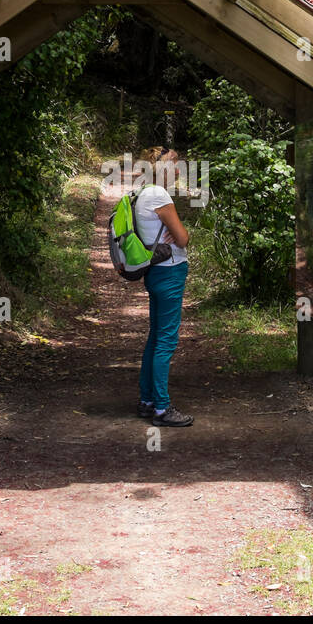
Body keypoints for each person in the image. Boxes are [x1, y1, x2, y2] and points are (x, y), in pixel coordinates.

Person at [134, 146, 193, 427]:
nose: (179, 170)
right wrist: (184, 233)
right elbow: (182, 238)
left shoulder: (144, 193)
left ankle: (147, 400)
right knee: (166, 341)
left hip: (156, 273)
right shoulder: (159, 194)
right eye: (174, 165)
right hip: (170, 273)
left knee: (156, 337)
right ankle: (161, 408)